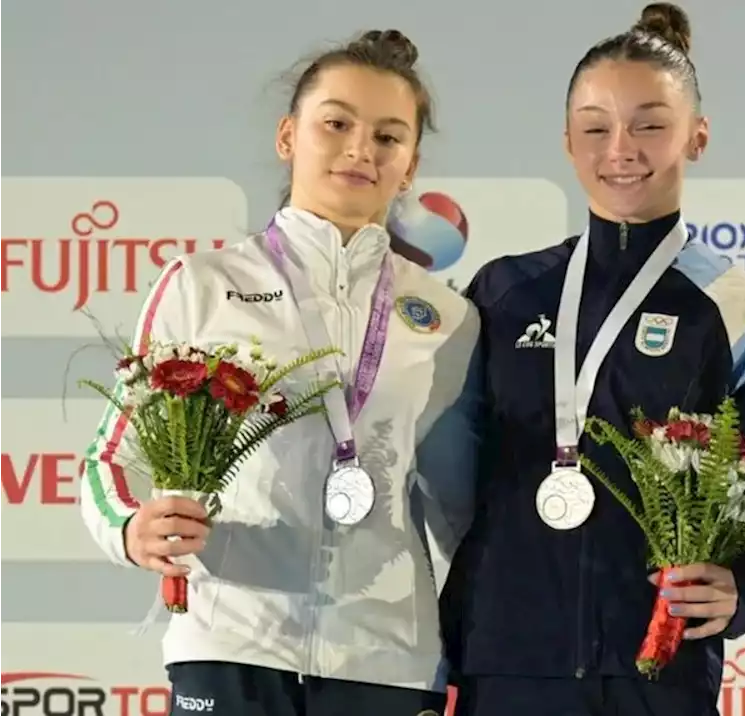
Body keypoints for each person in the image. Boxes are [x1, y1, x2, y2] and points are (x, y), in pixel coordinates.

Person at [79, 29, 479, 716]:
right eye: (337, 124)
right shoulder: (200, 285)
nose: (360, 149)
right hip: (231, 640)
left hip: (384, 654)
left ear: (410, 166)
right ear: (289, 136)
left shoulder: (447, 316)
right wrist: (128, 527)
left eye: (388, 137)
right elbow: (111, 455)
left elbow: (463, 509)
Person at [438, 4, 745, 715]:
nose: (621, 149)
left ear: (697, 137)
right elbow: (452, 483)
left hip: (659, 668)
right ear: (567, 141)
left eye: (650, 124)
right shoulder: (505, 292)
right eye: (595, 126)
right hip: (504, 667)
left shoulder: (740, 308)